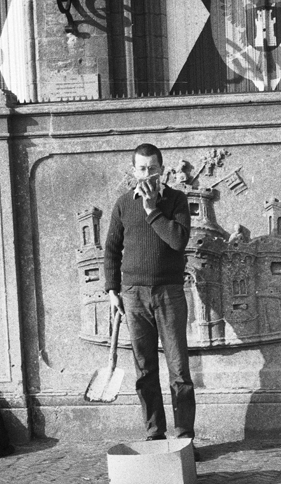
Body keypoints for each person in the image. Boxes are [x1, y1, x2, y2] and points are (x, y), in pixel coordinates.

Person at [103, 143, 197, 449]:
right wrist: (112, 290)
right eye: (142, 169)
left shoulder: (176, 200)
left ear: (162, 169)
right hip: (132, 295)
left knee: (179, 370)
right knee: (145, 369)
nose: (147, 174)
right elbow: (112, 251)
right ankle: (154, 435)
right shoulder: (122, 204)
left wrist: (152, 210)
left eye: (153, 168)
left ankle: (183, 437)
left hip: (169, 293)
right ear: (133, 171)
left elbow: (178, 241)